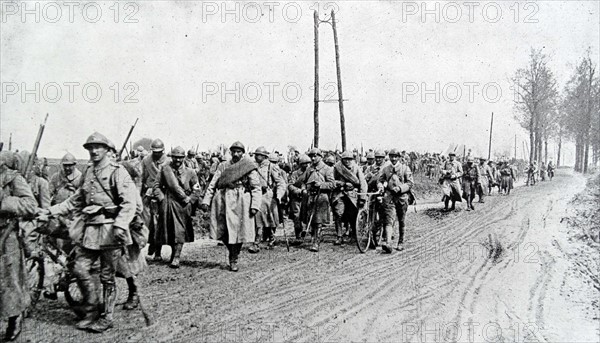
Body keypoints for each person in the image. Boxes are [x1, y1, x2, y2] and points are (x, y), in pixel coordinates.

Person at [40, 132, 137, 332]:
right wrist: (50, 211)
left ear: (107, 150)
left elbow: (130, 202)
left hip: (111, 230)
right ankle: (91, 309)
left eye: (97, 147)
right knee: (79, 268)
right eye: (90, 148)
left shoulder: (117, 171)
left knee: (107, 276)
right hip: (91, 231)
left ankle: (107, 317)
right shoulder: (89, 172)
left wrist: (120, 225)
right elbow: (75, 200)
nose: (93, 151)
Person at [201, 142, 261, 272]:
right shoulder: (223, 166)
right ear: (230, 152)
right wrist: (206, 200)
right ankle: (231, 251)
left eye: (239, 151)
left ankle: (234, 258)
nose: (236, 154)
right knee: (223, 231)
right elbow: (213, 184)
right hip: (223, 200)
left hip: (241, 201)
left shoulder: (248, 166)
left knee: (239, 232)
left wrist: (255, 205)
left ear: (243, 153)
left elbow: (256, 187)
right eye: (234, 151)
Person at [1, 151, 37, 341]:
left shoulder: (12, 178)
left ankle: (15, 319)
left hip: (6, 236)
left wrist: (4, 202)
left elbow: (31, 205)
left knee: (10, 281)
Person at [153, 147, 199, 267]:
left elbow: (197, 189)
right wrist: (161, 198)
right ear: (171, 157)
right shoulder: (164, 169)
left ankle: (176, 256)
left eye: (180, 157)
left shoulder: (190, 172)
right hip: (167, 202)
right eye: (175, 157)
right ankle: (158, 252)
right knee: (165, 228)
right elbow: (156, 186)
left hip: (183, 204)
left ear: (184, 158)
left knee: (180, 230)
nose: (177, 159)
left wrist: (190, 200)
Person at [249, 147, 286, 253]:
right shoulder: (254, 166)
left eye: (258, 155)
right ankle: (269, 239)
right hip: (256, 194)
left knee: (266, 219)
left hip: (267, 196)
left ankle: (257, 243)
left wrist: (279, 195)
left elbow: (281, 183)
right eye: (255, 155)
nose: (256, 156)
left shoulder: (271, 166)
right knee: (260, 219)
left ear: (264, 156)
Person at [377, 148, 414, 252]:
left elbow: (410, 183)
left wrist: (401, 188)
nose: (393, 159)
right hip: (389, 197)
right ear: (389, 157)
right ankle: (388, 243)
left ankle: (401, 242)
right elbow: (380, 180)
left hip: (402, 198)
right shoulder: (386, 169)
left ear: (399, 157)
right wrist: (380, 186)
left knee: (401, 220)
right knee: (388, 220)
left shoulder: (404, 168)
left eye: (395, 156)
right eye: (391, 156)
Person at [141, 138, 169, 258]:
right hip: (148, 195)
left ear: (163, 151)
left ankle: (158, 249)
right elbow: (141, 177)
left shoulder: (168, 161)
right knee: (147, 222)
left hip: (163, 194)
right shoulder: (146, 160)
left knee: (160, 223)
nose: (156, 154)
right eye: (154, 151)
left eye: (159, 152)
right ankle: (151, 244)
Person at [303, 148, 335, 252]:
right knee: (310, 219)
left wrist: (321, 184)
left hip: (321, 196)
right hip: (310, 196)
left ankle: (316, 241)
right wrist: (304, 188)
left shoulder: (327, 169)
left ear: (320, 157)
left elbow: (332, 184)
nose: (313, 158)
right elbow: (303, 180)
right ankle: (314, 237)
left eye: (315, 156)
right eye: (311, 156)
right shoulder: (309, 169)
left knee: (318, 220)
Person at [331, 151, 367, 245]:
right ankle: (339, 236)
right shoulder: (337, 167)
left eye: (349, 159)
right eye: (345, 159)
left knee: (353, 216)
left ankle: (354, 235)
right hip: (340, 193)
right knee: (338, 214)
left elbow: (362, 183)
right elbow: (331, 180)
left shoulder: (356, 168)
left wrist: (362, 198)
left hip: (352, 195)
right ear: (342, 159)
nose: (347, 161)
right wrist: (340, 183)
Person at [287, 154, 311, 244]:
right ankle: (298, 235)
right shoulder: (295, 174)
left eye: (308, 163)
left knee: (308, 215)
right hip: (297, 198)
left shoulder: (312, 173)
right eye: (305, 163)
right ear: (301, 164)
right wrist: (299, 191)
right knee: (297, 216)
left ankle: (310, 234)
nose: (307, 165)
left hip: (308, 198)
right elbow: (290, 185)